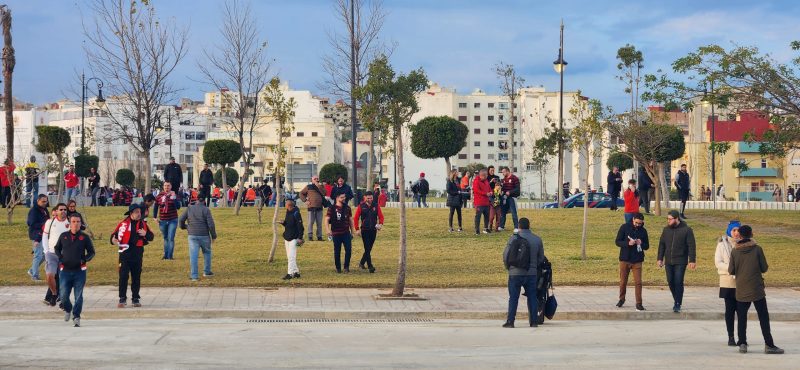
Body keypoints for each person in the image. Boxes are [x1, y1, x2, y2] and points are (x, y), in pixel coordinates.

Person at [728, 225, 784, 354]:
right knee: (763, 317)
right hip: (756, 288)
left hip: (741, 288)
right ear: (751, 234)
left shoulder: (735, 251)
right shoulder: (757, 249)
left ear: (740, 235)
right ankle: (769, 344)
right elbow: (764, 268)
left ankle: (742, 343)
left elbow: (731, 270)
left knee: (741, 317)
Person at [55, 213, 96, 327]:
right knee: (63, 295)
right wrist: (61, 258)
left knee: (78, 296)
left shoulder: (84, 237)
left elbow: (92, 252)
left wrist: (85, 259)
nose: (76, 224)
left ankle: (76, 316)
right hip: (65, 271)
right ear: (69, 223)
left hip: (79, 271)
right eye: (73, 221)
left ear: (80, 223)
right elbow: (56, 248)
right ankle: (68, 309)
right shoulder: (63, 236)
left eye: (78, 222)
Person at [502, 218, 544, 328]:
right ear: (529, 226)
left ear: (519, 227)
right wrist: (534, 267)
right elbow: (541, 258)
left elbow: (505, 255)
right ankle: (534, 321)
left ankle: (510, 321)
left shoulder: (513, 239)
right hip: (531, 274)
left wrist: (509, 268)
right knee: (532, 297)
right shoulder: (537, 240)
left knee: (513, 298)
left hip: (515, 273)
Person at [111, 204, 154, 308]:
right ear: (131, 214)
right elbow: (113, 236)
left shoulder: (143, 224)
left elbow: (151, 237)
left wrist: (145, 234)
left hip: (137, 253)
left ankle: (135, 298)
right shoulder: (123, 224)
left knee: (136, 276)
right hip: (124, 254)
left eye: (140, 212)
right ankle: (122, 298)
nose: (139, 214)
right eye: (136, 212)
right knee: (123, 276)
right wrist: (113, 240)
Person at [657, 210, 697, 313]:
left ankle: (677, 303)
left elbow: (691, 246)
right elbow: (662, 245)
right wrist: (660, 258)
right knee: (670, 281)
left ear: (677, 219)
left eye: (670, 219)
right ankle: (677, 299)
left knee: (678, 282)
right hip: (668, 261)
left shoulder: (687, 230)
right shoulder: (666, 230)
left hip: (680, 260)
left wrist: (692, 260)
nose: (668, 221)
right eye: (667, 219)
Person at [614, 212, 649, 311]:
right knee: (623, 281)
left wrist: (641, 243)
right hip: (625, 259)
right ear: (633, 219)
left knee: (638, 282)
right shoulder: (624, 227)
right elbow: (617, 241)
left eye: (640, 223)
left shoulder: (643, 231)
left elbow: (647, 246)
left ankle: (639, 303)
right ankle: (621, 299)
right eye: (637, 223)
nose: (638, 225)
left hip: (637, 260)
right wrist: (628, 243)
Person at [715, 220, 740, 347]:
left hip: (741, 283)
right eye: (733, 230)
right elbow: (718, 262)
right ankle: (731, 336)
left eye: (738, 230)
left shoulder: (743, 244)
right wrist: (731, 268)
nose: (736, 233)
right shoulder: (722, 244)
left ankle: (742, 337)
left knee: (741, 312)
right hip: (728, 282)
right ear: (729, 231)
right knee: (730, 311)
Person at [179, 197, 217, 281]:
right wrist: (213, 236)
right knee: (207, 252)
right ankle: (207, 272)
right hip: (204, 235)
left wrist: (184, 227)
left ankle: (194, 276)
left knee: (193, 255)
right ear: (204, 201)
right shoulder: (206, 209)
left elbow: (181, 219)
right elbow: (211, 224)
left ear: (196, 200)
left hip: (192, 234)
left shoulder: (189, 208)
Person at [41, 204, 68, 307]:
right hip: (51, 253)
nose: (63, 211)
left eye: (65, 209)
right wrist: (46, 250)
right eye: (61, 209)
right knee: (49, 275)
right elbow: (44, 236)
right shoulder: (50, 222)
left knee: (63, 277)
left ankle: (62, 298)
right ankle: (54, 293)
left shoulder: (70, 222)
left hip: (64, 255)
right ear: (56, 211)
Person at [325, 192, 355, 273]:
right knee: (337, 251)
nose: (344, 198)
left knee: (348, 250)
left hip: (346, 233)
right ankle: (338, 268)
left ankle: (346, 267)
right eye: (342, 197)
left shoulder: (347, 208)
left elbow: (350, 220)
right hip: (336, 233)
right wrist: (328, 230)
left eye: (344, 197)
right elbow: (327, 219)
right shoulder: (331, 208)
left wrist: (353, 231)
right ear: (337, 198)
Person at [354, 191, 384, 273]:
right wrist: (357, 229)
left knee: (369, 248)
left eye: (371, 198)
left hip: (373, 230)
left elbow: (381, 216)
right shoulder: (361, 206)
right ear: (365, 197)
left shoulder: (376, 205)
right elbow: (356, 218)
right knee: (367, 248)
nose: (369, 199)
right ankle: (370, 266)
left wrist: (380, 224)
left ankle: (361, 263)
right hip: (364, 230)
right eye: (368, 198)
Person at [278, 199, 304, 280]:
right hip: (287, 237)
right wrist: (283, 223)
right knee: (289, 256)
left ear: (289, 205)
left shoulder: (296, 213)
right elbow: (288, 224)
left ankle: (290, 274)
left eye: (286, 204)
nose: (285, 205)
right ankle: (296, 272)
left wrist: (300, 238)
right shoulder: (288, 211)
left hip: (294, 238)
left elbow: (301, 227)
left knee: (291, 256)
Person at [155, 181, 181, 260]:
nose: (167, 187)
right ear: (163, 186)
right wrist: (154, 217)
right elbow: (156, 206)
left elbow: (178, 207)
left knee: (171, 238)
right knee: (165, 237)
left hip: (172, 219)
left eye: (168, 186)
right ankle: (165, 255)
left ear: (171, 187)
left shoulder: (174, 195)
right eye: (165, 186)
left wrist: (174, 198)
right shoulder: (159, 195)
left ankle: (170, 256)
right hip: (162, 220)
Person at [27, 195, 50, 282]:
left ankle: (32, 270)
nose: (45, 203)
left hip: (44, 235)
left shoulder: (44, 210)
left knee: (45, 255)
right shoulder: (33, 211)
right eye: (43, 201)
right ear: (38, 201)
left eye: (46, 201)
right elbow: (31, 223)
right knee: (38, 255)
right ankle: (35, 276)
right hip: (36, 235)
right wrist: (44, 224)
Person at [299, 176, 326, 241]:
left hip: (319, 207)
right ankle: (310, 236)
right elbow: (301, 193)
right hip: (311, 207)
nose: (316, 180)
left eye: (317, 179)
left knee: (319, 223)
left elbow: (324, 193)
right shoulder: (308, 186)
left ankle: (319, 236)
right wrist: (305, 200)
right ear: (312, 180)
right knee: (310, 222)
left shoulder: (321, 186)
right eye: (315, 179)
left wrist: (319, 186)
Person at [499, 167, 520, 232]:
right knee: (503, 212)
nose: (502, 174)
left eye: (503, 172)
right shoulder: (503, 180)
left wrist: (510, 192)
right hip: (505, 198)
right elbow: (502, 188)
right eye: (502, 172)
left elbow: (517, 189)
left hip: (512, 198)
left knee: (513, 212)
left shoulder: (514, 178)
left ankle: (516, 227)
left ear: (507, 171)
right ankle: (501, 226)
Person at [472, 169, 492, 235]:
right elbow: (476, 190)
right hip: (479, 202)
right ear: (482, 175)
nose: (487, 176)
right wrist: (485, 193)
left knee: (487, 216)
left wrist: (491, 192)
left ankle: (485, 228)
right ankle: (477, 230)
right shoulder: (476, 181)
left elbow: (489, 187)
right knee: (478, 216)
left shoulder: (486, 181)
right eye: (486, 175)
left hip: (486, 202)